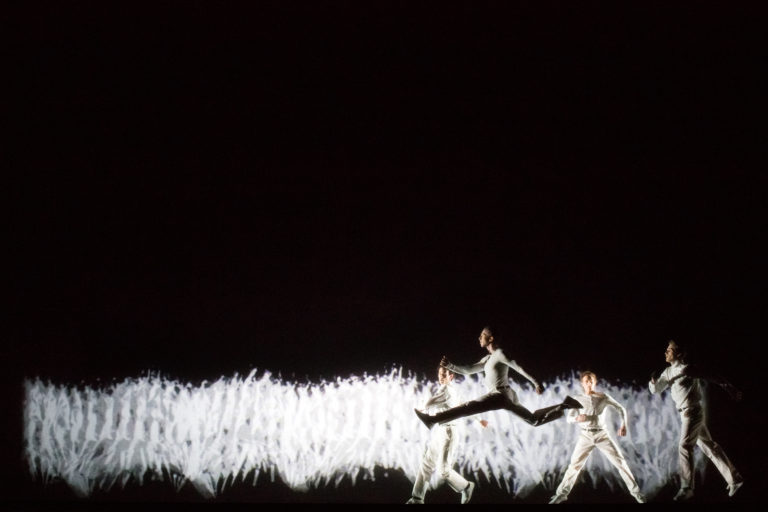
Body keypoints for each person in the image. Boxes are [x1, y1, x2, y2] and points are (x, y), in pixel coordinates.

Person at [414, 326, 580, 429]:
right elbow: (469, 370)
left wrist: (536, 382)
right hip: (506, 395)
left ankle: (433, 420)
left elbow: (518, 366)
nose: (479, 338)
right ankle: (564, 405)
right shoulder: (487, 359)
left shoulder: (500, 354)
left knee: (467, 407)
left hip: (499, 395)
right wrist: (451, 366)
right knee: (534, 421)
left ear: (491, 338)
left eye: (482, 335)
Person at [648, 339, 743, 502]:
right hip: (685, 414)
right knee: (709, 446)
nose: (666, 352)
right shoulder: (668, 372)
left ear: (678, 353)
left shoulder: (687, 369)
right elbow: (657, 390)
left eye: (670, 350)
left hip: (693, 412)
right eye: (666, 349)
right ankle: (734, 479)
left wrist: (730, 388)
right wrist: (653, 382)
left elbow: (712, 375)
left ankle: (687, 488)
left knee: (685, 446)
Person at [549, 371, 645, 504]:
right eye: (586, 381)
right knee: (574, 466)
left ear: (595, 382)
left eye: (591, 381)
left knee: (621, 463)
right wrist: (577, 418)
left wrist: (624, 426)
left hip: (602, 435)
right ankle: (561, 495)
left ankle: (637, 494)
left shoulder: (603, 397)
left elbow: (621, 408)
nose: (588, 383)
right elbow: (568, 418)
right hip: (585, 435)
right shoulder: (576, 398)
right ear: (582, 384)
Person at [407, 366, 480, 504]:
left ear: (451, 376)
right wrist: (479, 420)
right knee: (427, 463)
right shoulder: (452, 390)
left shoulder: (446, 390)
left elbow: (430, 402)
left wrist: (422, 407)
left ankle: (467, 486)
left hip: (449, 432)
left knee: (443, 471)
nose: (441, 377)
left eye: (444, 375)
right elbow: (465, 404)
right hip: (441, 431)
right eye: (439, 374)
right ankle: (417, 498)